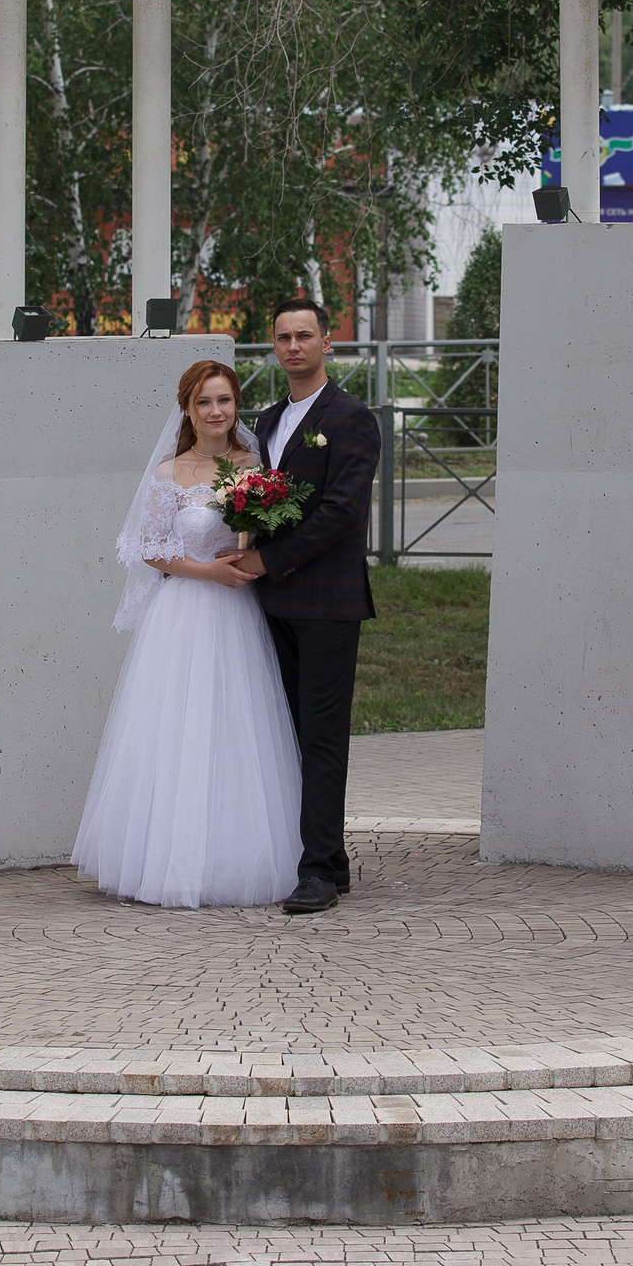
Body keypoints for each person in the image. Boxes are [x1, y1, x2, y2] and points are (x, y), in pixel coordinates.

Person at [71, 357, 301, 908]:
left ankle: (237, 858)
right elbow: (150, 550)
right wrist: (207, 571)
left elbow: (269, 531)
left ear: (236, 405)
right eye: (204, 402)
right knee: (178, 729)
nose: (215, 411)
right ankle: (168, 859)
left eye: (224, 400)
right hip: (184, 613)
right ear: (188, 410)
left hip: (239, 614)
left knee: (237, 726)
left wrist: (247, 556)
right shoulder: (169, 474)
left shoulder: (257, 466)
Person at [222, 297, 381, 917]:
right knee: (285, 731)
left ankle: (315, 873)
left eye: (305, 336)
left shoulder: (351, 418)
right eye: (284, 337)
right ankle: (330, 857)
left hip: (327, 602)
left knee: (320, 736)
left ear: (327, 343)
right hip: (273, 602)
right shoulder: (267, 420)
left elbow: (342, 512)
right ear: (273, 344)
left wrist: (268, 560)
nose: (294, 346)